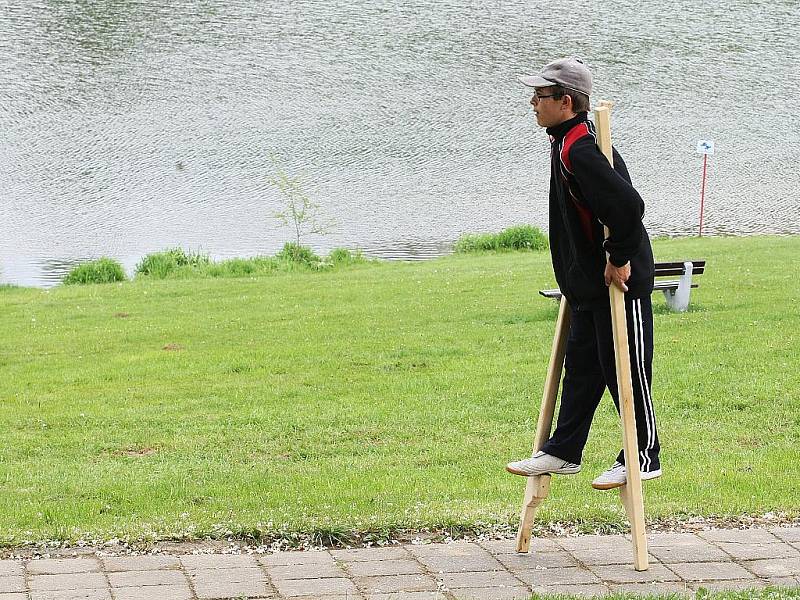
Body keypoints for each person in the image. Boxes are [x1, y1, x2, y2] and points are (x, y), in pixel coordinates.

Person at [505, 57, 661, 489]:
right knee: (582, 369)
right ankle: (563, 450)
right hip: (588, 288)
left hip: (619, 283)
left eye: (540, 96)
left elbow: (627, 207)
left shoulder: (581, 148)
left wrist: (618, 255)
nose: (533, 103)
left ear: (566, 101)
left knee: (625, 371)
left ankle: (643, 454)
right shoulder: (563, 141)